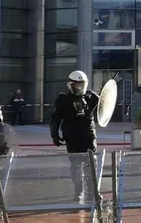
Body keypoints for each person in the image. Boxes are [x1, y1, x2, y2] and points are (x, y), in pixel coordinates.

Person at [50, 70, 102, 202]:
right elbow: (55, 118)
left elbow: (105, 106)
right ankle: (79, 192)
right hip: (72, 135)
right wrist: (54, 134)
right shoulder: (62, 99)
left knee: (92, 163)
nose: (79, 87)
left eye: (81, 84)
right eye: (76, 84)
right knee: (76, 166)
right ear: (70, 85)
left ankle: (93, 192)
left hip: (88, 134)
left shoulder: (92, 97)